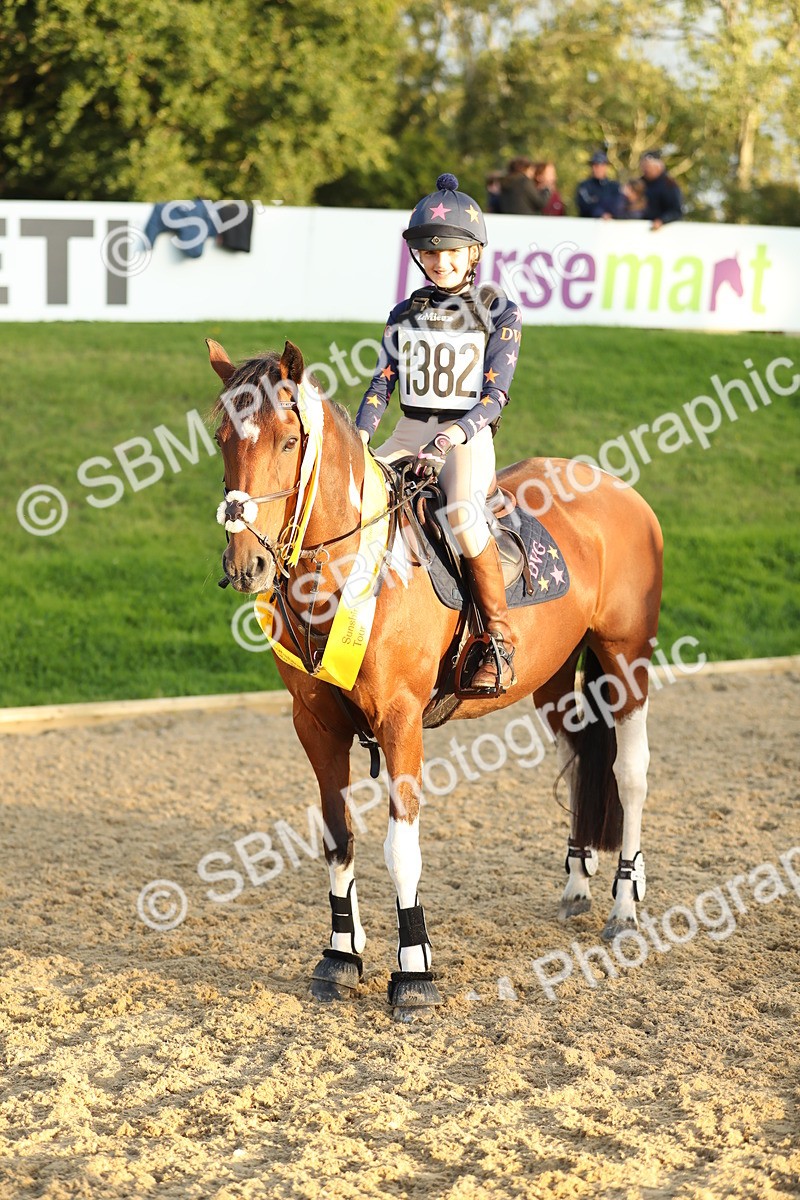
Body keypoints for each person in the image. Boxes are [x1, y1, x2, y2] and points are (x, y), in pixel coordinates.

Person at [355, 173, 522, 692]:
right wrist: (360, 437)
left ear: (473, 254)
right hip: (409, 427)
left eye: (451, 252)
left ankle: (498, 638)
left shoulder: (500, 311)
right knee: (354, 497)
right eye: (429, 253)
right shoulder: (404, 314)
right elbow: (383, 383)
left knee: (465, 518)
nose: (440, 261)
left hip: (466, 435)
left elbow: (494, 399)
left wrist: (447, 441)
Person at [639, 150, 683, 228]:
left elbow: (675, 211)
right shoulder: (639, 183)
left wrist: (662, 220)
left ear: (659, 167)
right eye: (644, 166)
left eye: (649, 167)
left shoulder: (669, 184)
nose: (646, 170)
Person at [575, 150, 622, 219]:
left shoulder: (614, 187)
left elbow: (619, 204)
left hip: (611, 226)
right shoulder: (584, 186)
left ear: (606, 167)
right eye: (596, 165)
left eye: (602, 165)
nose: (599, 169)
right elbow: (584, 205)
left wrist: (609, 214)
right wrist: (600, 213)